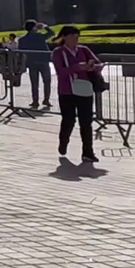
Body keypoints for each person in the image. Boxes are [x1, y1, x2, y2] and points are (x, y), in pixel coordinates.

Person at [49, 25, 101, 163]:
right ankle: (63, 141)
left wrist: (95, 66)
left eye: (77, 37)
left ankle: (88, 152)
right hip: (67, 91)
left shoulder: (84, 50)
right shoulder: (58, 52)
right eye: (72, 37)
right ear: (64, 37)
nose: (75, 40)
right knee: (69, 120)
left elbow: (96, 62)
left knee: (86, 122)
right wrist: (77, 67)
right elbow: (60, 71)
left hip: (84, 89)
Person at [17, 20, 52, 109]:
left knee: (34, 83)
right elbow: (52, 33)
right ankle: (46, 99)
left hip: (31, 62)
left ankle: (35, 101)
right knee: (47, 82)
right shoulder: (40, 36)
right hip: (43, 61)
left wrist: (21, 64)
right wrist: (45, 26)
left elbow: (20, 53)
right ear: (34, 28)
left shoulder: (22, 39)